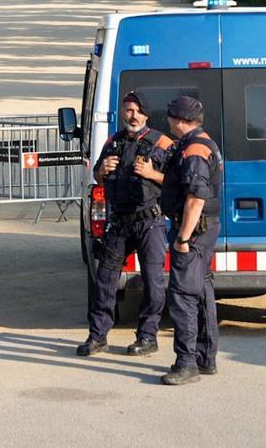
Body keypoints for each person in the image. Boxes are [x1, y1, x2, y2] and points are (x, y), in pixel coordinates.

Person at [77, 91, 173, 358]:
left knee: (153, 283)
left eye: (135, 111)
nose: (130, 115)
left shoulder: (162, 143)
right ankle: (97, 337)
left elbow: (177, 182)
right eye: (127, 110)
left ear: (146, 114)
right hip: (119, 221)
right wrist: (101, 169)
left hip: (149, 222)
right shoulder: (113, 141)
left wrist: (152, 173)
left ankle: (147, 337)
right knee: (105, 280)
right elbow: (97, 176)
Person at [159, 95, 223, 385]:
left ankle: (186, 363)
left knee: (183, 295)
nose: (168, 120)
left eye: (171, 116)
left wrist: (183, 237)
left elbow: (196, 198)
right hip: (205, 230)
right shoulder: (202, 142)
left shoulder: (195, 150)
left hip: (194, 232)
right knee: (201, 291)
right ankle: (205, 358)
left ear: (178, 120)